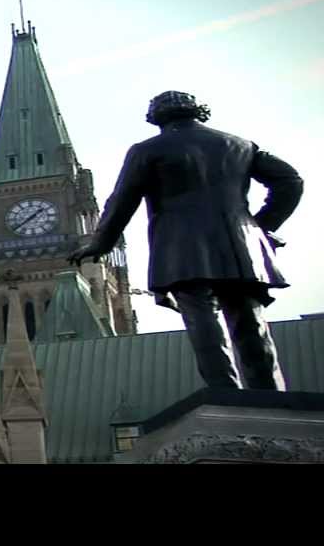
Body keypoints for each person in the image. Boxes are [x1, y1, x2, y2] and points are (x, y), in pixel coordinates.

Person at [69, 91, 303, 390]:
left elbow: (121, 202)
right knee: (251, 326)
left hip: (183, 249)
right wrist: (260, 227)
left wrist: (100, 245)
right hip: (243, 248)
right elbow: (290, 181)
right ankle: (271, 395)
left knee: (204, 325)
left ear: (155, 117)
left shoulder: (148, 150)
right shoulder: (240, 144)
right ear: (197, 111)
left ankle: (225, 394)